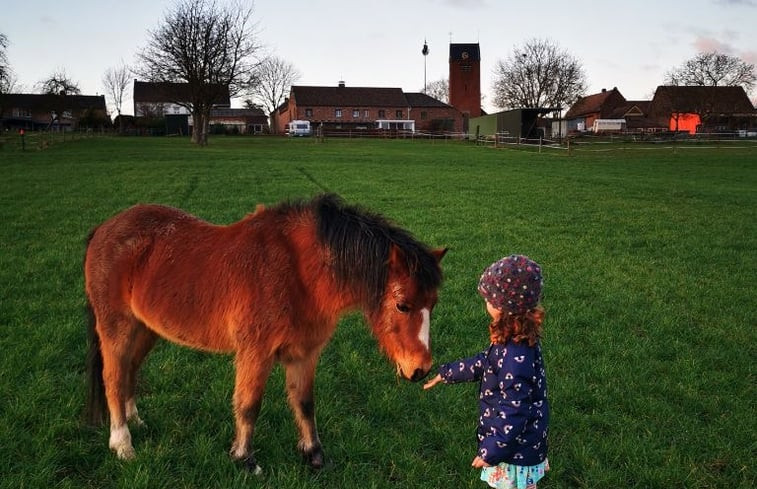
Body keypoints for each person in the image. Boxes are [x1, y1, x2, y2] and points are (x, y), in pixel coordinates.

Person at [424, 255, 550, 489]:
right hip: (521, 445)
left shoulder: (515, 355)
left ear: (504, 307)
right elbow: (486, 362)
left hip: (514, 452)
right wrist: (447, 373)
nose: (486, 303)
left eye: (489, 299)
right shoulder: (514, 338)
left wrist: (491, 450)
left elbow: (515, 409)